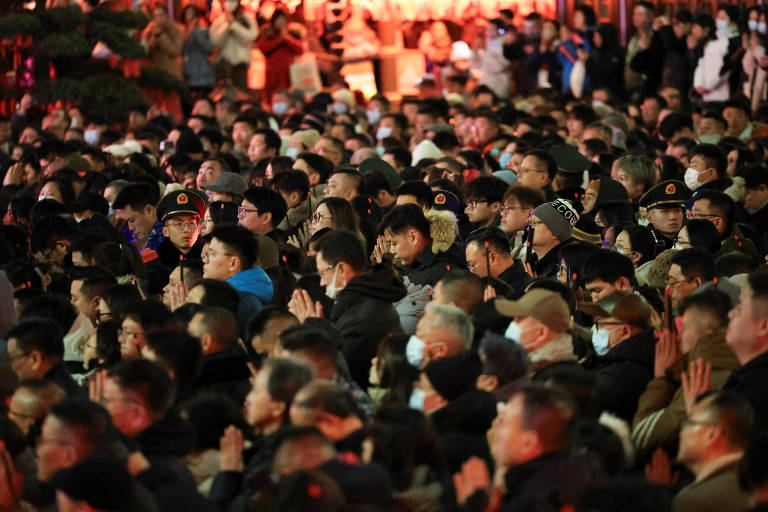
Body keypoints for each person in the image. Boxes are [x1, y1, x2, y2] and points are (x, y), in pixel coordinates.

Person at [289, 230, 406, 388]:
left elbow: (341, 378)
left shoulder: (363, 318)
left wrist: (313, 328)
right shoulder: (367, 299)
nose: (322, 283)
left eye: (323, 273)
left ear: (341, 269)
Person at [633, 289, 739, 454]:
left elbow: (642, 436)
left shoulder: (705, 375)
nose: (679, 337)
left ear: (707, 334)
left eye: (685, 329)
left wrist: (662, 379)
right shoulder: (726, 364)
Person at [578, 291, 656, 422]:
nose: (595, 331)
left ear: (625, 331)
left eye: (600, 325)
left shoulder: (616, 379)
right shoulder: (620, 359)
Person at [671, 392, 753, 512]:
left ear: (711, 435)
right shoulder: (759, 482)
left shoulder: (693, 502)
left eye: (688, 423)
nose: (681, 432)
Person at [203, 224, 273, 331]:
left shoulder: (237, 304)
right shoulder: (251, 291)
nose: (206, 261)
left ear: (234, 263)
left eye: (212, 254)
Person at [495, 288, 577, 378]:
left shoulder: (555, 381)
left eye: (520, 317)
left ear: (542, 333)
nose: (514, 321)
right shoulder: (536, 367)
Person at [724, 271, 768, 431]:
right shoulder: (746, 380)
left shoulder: (753, 400)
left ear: (763, 325)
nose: (730, 314)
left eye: (740, 308)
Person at [187, 306, 251, 404]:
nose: (185, 341)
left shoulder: (195, 390)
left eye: (190, 335)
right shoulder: (251, 380)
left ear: (206, 342)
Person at [5, 318, 82, 397]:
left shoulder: (44, 400)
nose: (13, 366)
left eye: (13, 358)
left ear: (35, 359)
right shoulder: (67, 387)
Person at [210, 0, 257, 90]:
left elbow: (252, 35)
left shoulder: (247, 18)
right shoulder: (219, 21)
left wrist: (234, 24)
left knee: (241, 94)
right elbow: (215, 41)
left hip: (240, 65)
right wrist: (228, 26)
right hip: (223, 65)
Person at [529, 199, 580, 278]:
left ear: (556, 231)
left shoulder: (561, 271)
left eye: (535, 223)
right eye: (531, 223)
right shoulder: (531, 262)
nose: (529, 228)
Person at [639, 180, 690, 252]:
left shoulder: (691, 238)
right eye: (665, 212)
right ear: (650, 218)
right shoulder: (642, 243)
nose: (673, 217)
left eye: (677, 210)